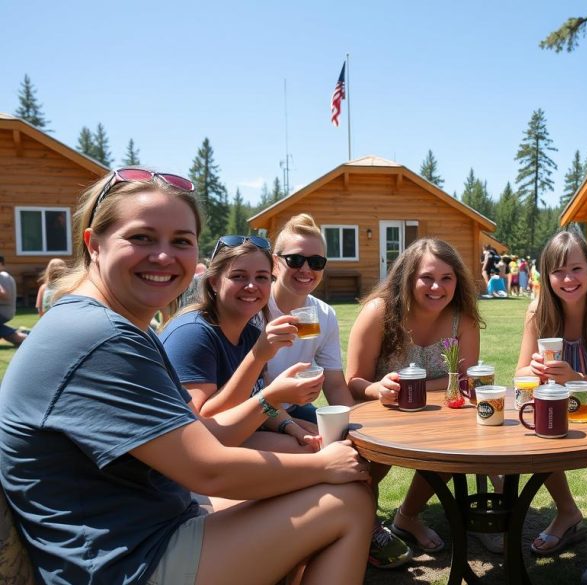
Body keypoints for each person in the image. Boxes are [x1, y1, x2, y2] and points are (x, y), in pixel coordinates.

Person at [0, 168, 373, 585]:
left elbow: (200, 432)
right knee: (348, 501)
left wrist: (288, 427)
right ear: (94, 244)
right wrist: (325, 464)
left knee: (299, 492)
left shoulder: (115, 327)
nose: (164, 256)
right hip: (124, 563)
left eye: (180, 241)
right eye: (141, 237)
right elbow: (208, 470)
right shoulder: (100, 337)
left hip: (143, 529)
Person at [347, 238, 484, 566]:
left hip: (439, 416)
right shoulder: (379, 312)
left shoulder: (461, 320)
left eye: (447, 278)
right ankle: (362, 526)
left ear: (457, 280)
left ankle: (407, 516)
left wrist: (420, 386)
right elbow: (353, 381)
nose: (437, 286)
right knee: (363, 469)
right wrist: (377, 388)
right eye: (427, 277)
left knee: (456, 448)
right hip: (382, 414)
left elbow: (465, 381)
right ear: (407, 278)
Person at [515, 231, 587, 555]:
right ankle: (567, 511)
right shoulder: (539, 312)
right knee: (537, 428)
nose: (568, 279)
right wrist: (535, 370)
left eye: (576, 269)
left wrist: (575, 377)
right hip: (554, 407)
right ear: (546, 276)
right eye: (558, 271)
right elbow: (520, 372)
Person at [160, 235, 322, 454]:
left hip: (239, 435)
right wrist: (258, 356)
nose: (251, 286)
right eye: (238, 276)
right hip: (194, 454)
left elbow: (258, 398)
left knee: (323, 441)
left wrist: (291, 427)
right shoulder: (191, 334)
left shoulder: (251, 332)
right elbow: (204, 423)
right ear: (214, 281)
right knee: (318, 454)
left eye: (262, 277)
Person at [266, 213, 354, 425]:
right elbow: (256, 391)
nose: (306, 269)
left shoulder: (323, 314)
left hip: (295, 407)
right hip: (257, 410)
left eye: (316, 262)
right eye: (295, 260)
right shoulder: (255, 308)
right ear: (275, 263)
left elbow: (334, 384)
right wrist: (292, 428)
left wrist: (355, 428)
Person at [0, 257, 27, 347]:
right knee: (6, 334)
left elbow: (5, 295)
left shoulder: (4, 276)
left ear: (1, 264)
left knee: (7, 334)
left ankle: (25, 337)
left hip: (3, 311)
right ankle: (23, 335)